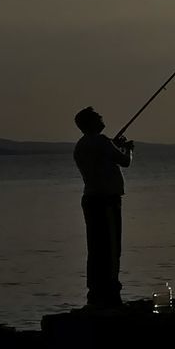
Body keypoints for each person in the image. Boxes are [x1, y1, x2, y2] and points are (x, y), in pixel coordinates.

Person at [73, 107, 133, 309]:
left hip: (90, 199)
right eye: (98, 117)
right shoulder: (101, 141)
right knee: (111, 247)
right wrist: (128, 148)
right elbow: (125, 161)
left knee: (96, 249)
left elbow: (100, 160)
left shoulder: (80, 146)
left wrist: (113, 146)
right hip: (107, 200)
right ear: (91, 123)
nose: (102, 118)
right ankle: (111, 295)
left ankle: (96, 293)